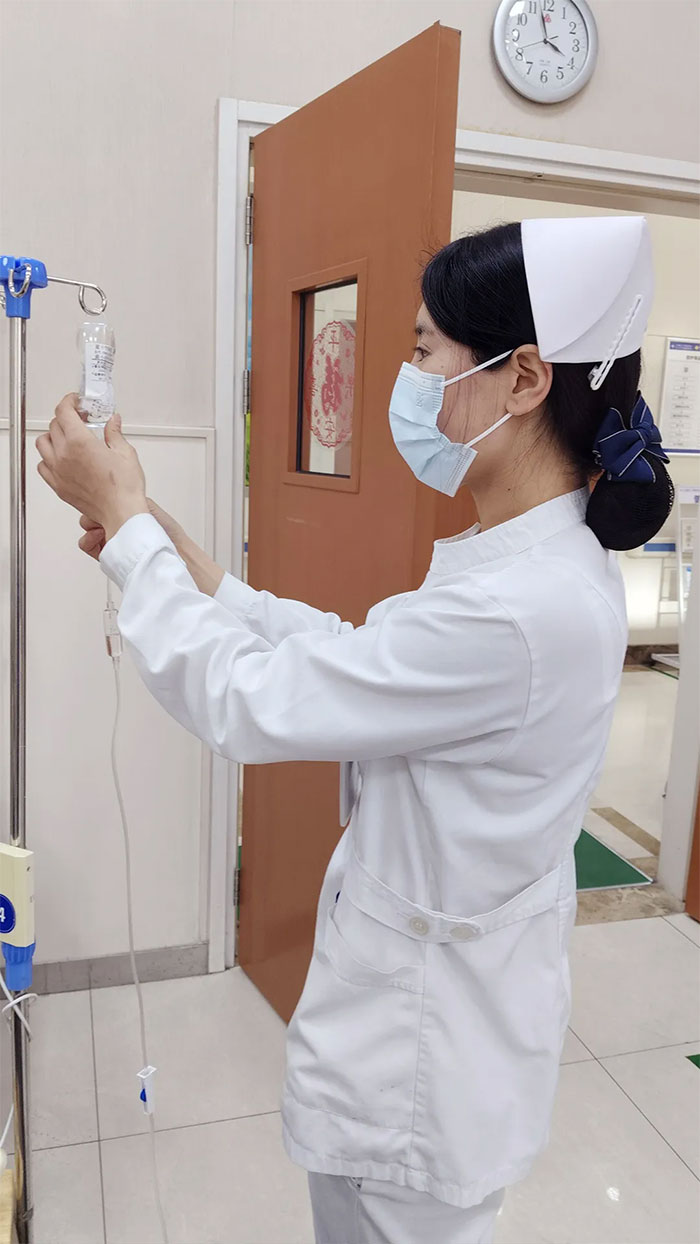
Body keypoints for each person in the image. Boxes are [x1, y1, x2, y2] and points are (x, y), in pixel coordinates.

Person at [37, 216, 672, 1244]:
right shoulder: (528, 571)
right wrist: (164, 546)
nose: (407, 383)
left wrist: (132, 532)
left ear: (521, 380)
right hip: (435, 1026)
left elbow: (250, 698)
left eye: (425, 351)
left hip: (420, 1074)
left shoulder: (518, 610)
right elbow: (360, 658)